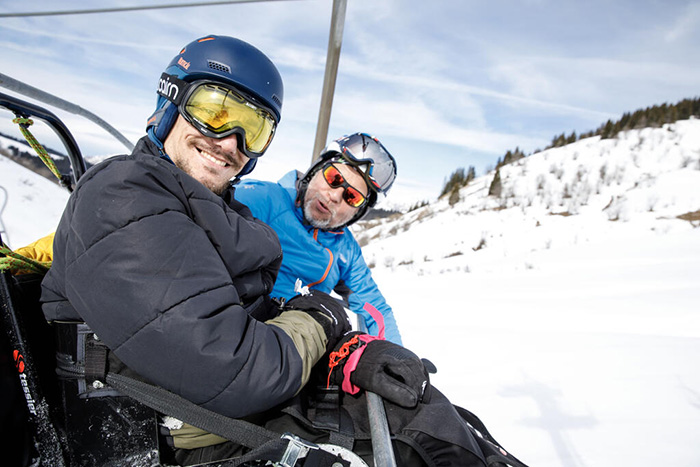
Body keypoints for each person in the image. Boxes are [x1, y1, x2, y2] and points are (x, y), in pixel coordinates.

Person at [38, 35, 527, 467]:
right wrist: (322, 318)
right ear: (171, 99)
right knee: (414, 441)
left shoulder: (238, 214)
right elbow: (223, 352)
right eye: (213, 110)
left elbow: (368, 303)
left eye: (252, 128)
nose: (228, 141)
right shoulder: (144, 192)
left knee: (443, 420)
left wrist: (366, 349)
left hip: (247, 375)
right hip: (174, 414)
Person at [234, 133, 403, 344]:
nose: (334, 196)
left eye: (352, 197)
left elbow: (373, 306)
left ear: (357, 213)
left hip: (295, 344)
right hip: (235, 323)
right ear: (316, 170)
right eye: (334, 178)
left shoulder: (345, 249)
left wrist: (394, 353)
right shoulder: (262, 198)